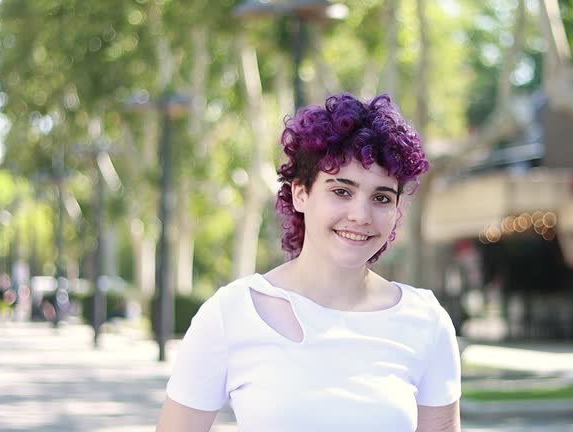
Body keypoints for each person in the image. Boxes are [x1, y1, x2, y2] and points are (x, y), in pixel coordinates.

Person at [156, 93, 461, 432]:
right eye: (341, 191)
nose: (361, 215)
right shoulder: (230, 313)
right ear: (300, 193)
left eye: (381, 197)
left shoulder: (426, 321)